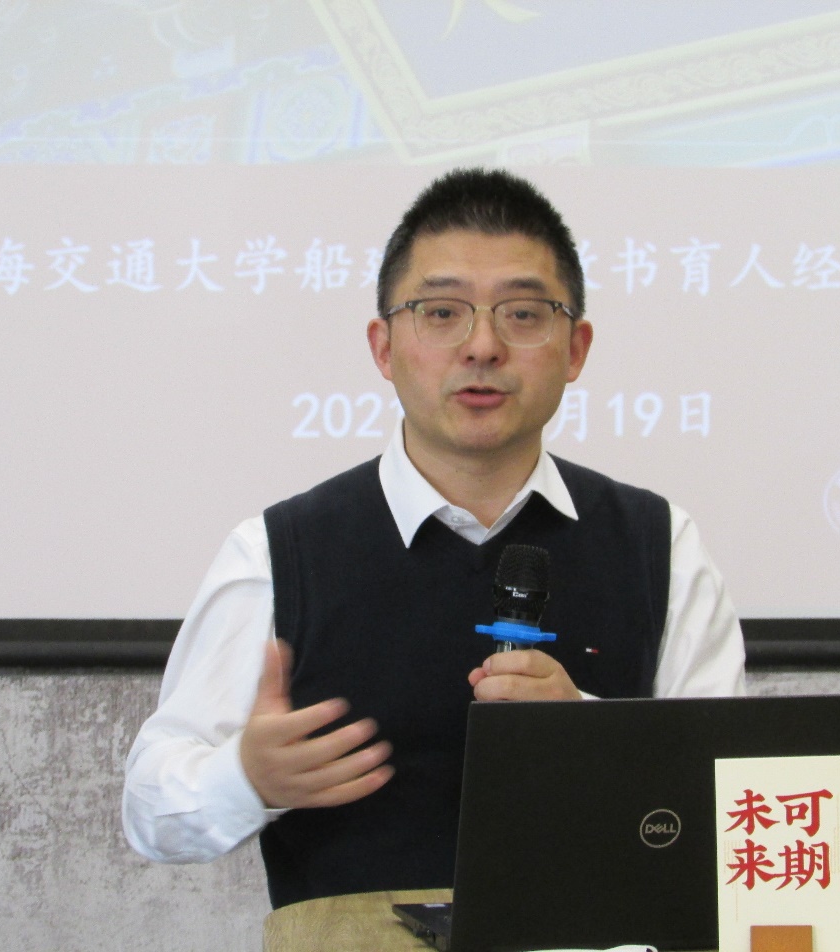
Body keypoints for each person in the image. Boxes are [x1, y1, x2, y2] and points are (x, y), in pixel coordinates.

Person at [122, 168, 745, 909]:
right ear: (384, 348)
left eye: (522, 314)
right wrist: (246, 778)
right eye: (441, 312)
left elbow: (738, 803)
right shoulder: (276, 553)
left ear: (576, 349)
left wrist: (590, 735)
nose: (482, 346)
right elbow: (149, 811)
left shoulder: (660, 544)